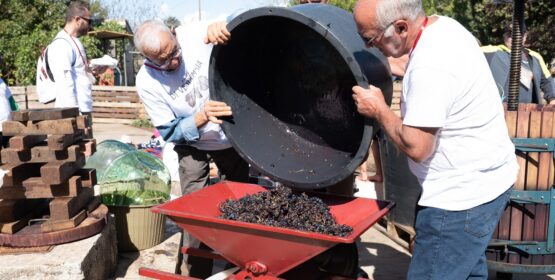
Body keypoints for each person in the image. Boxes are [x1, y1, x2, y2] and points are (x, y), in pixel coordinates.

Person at [352, 0, 518, 279]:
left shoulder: (430, 67)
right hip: (489, 184)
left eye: (371, 38)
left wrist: (379, 110)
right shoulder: (444, 28)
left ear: (401, 27)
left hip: (458, 202)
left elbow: (418, 147)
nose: (369, 46)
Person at [133, 19, 249, 278]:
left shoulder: (197, 33)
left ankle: (241, 264)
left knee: (242, 201)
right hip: (192, 143)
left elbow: (246, 25)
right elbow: (170, 131)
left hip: (231, 134)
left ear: (175, 35)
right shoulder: (146, 82)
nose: (173, 62)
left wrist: (225, 29)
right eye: (162, 61)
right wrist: (200, 117)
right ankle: (194, 271)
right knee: (194, 213)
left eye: (174, 53)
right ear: (146, 58)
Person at [47, 1, 95, 131]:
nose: (90, 25)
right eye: (89, 21)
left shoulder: (74, 41)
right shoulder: (61, 44)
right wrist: (74, 116)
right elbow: (64, 82)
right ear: (78, 20)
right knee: (82, 150)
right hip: (75, 112)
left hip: (83, 108)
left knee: (88, 150)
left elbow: (79, 73)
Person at [482, 23, 555, 104]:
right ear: (504, 37)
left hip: (528, 112)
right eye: (510, 35)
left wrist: (552, 100)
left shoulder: (534, 58)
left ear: (525, 37)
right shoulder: (490, 52)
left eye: (519, 35)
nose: (515, 38)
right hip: (497, 110)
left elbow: (547, 82)